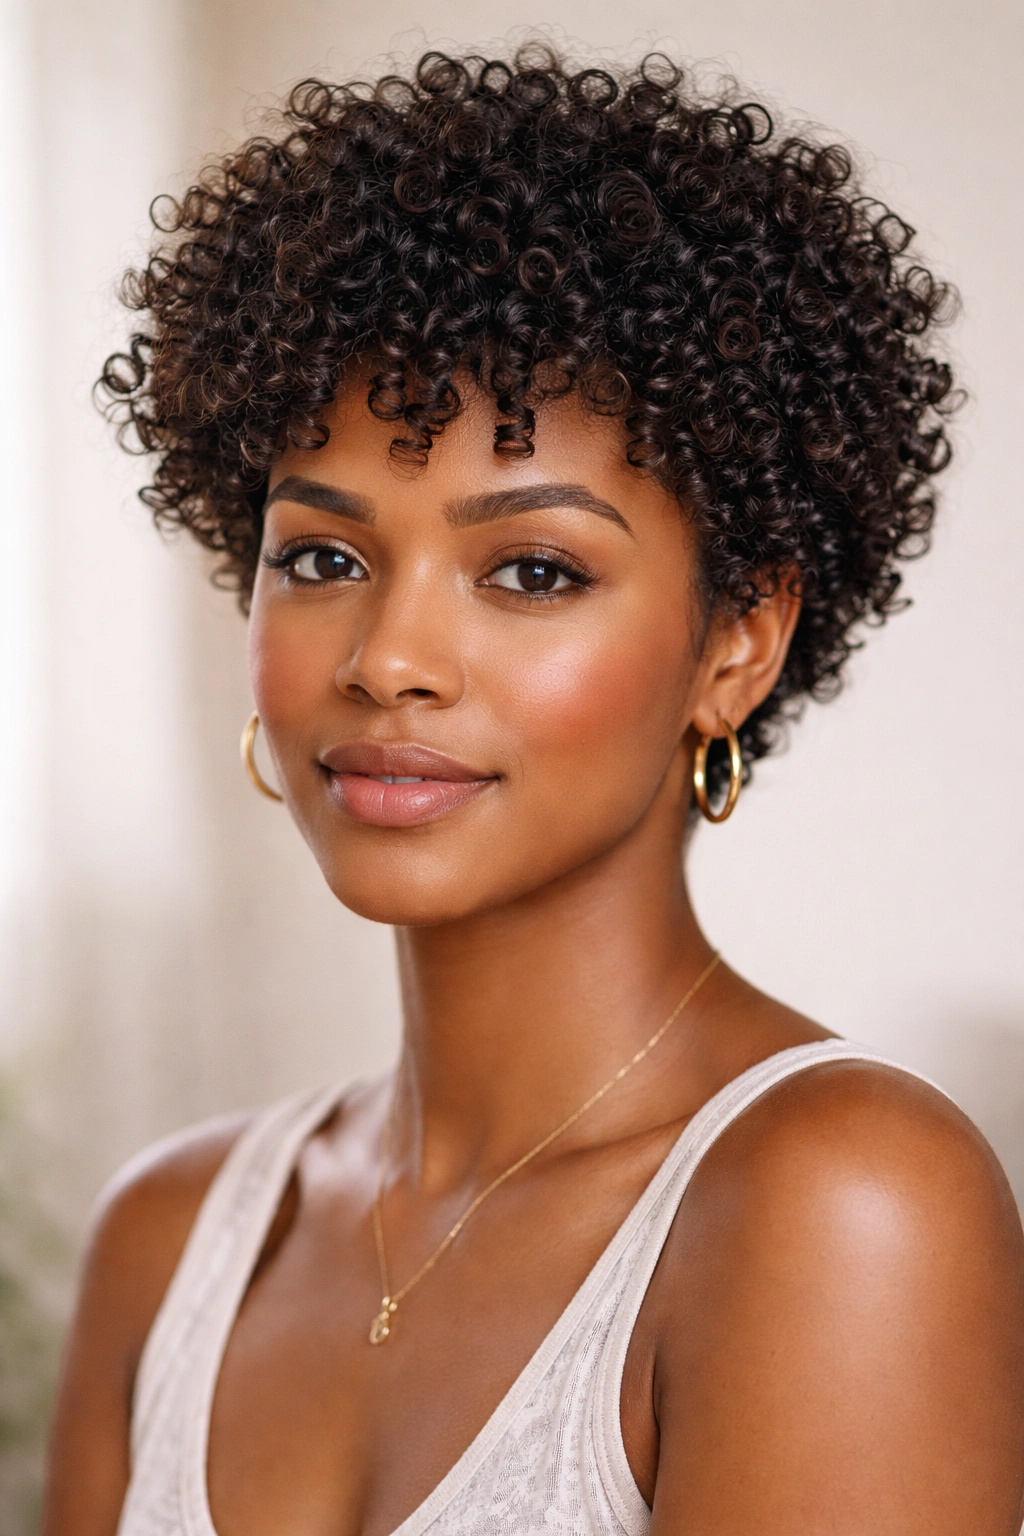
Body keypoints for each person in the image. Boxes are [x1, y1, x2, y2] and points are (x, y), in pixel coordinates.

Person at [42, 46, 1024, 1536]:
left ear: (737, 643)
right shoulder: (171, 1240)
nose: (389, 659)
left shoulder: (837, 1207)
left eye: (533, 571)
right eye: (323, 557)